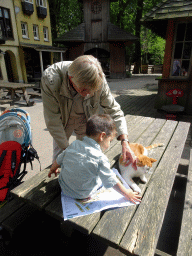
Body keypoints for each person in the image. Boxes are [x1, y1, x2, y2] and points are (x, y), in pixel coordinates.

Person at [41, 55, 137, 169]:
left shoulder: (98, 78)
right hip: (62, 121)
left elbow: (114, 110)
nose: (88, 94)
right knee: (60, 157)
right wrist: (68, 152)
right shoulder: (50, 79)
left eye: (92, 91)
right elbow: (53, 121)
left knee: (87, 154)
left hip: (85, 118)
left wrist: (125, 142)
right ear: (71, 79)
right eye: (84, 90)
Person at [48, 114, 141, 204]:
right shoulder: (100, 158)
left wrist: (53, 168)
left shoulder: (75, 144)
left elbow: (59, 159)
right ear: (102, 136)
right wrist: (127, 193)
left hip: (65, 187)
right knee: (102, 177)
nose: (109, 145)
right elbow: (111, 181)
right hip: (82, 194)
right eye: (110, 140)